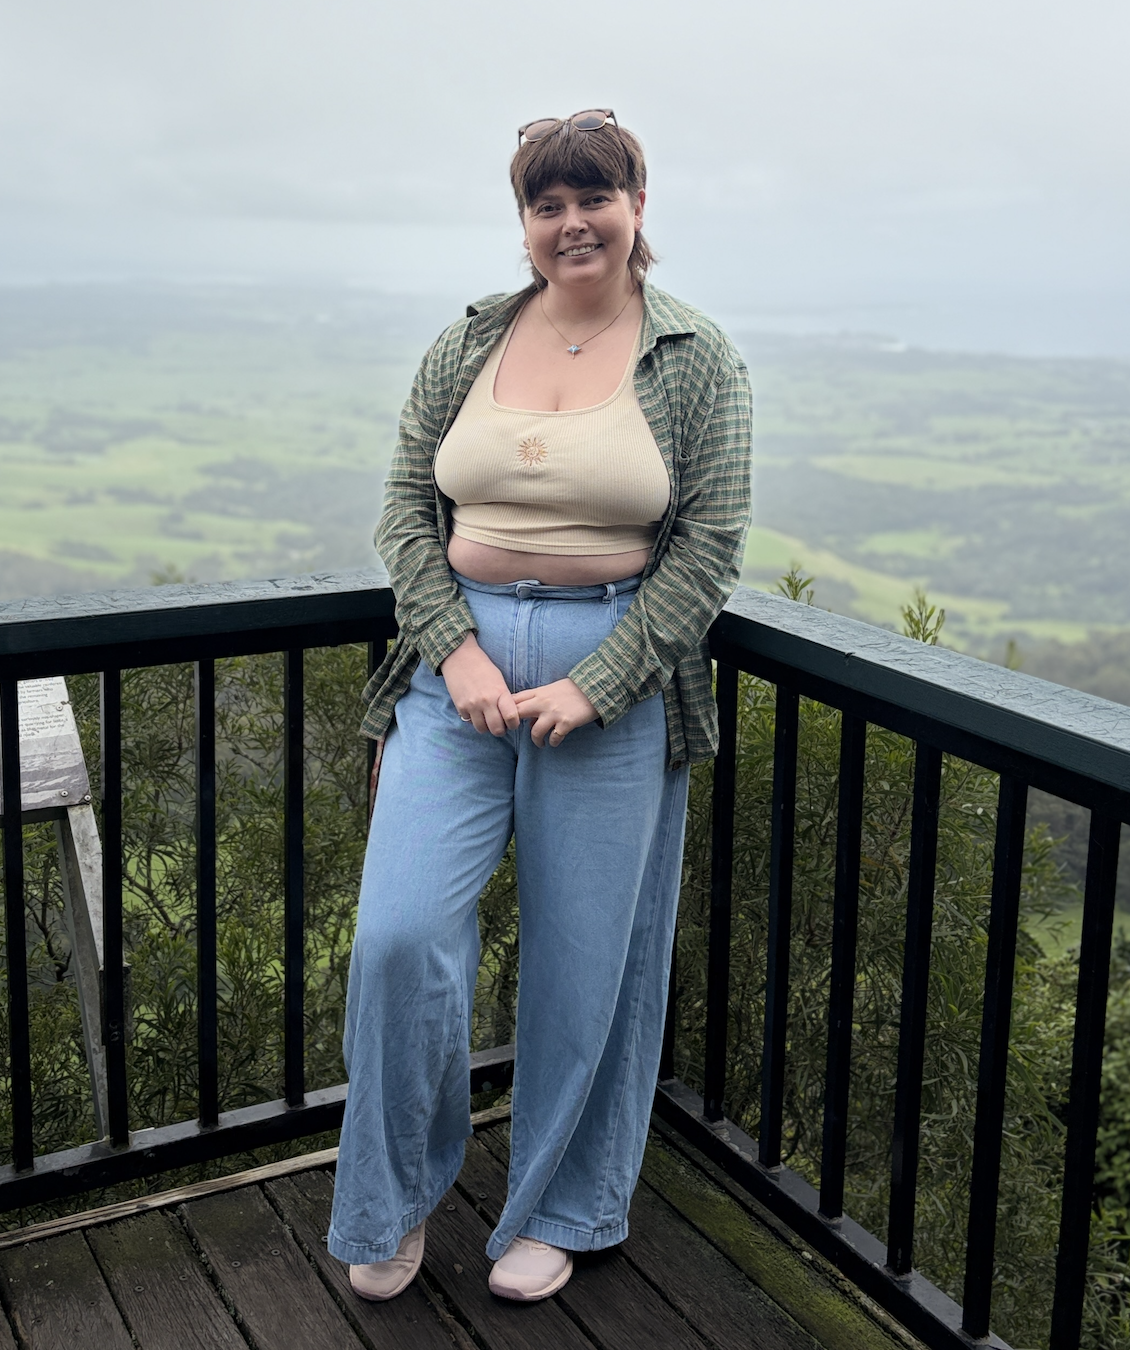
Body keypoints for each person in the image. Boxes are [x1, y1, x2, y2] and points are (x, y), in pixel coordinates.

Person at [326, 109, 752, 1304]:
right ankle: (392, 1200)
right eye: (545, 204)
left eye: (593, 198)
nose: (572, 223)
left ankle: (566, 1206)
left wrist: (600, 679)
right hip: (449, 679)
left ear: (636, 207)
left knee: (587, 962)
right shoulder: (469, 340)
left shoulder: (694, 358)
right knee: (400, 937)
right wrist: (452, 651)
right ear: (523, 223)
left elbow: (710, 546)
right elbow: (405, 514)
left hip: (610, 678)